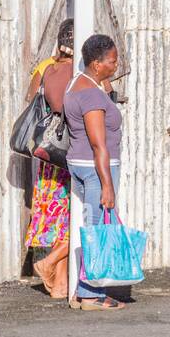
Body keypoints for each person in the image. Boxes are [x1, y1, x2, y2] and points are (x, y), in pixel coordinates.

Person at [64, 33, 127, 310]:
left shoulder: (79, 84)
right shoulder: (90, 94)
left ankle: (87, 291)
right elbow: (98, 144)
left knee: (95, 227)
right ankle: (89, 295)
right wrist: (107, 187)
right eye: (112, 61)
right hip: (96, 170)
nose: (116, 65)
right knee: (97, 232)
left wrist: (105, 86)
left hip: (82, 166)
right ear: (96, 63)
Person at [24, 19, 73, 299]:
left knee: (59, 219)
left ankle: (59, 284)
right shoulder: (75, 71)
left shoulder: (44, 68)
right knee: (71, 216)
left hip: (47, 154)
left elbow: (32, 101)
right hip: (67, 152)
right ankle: (51, 265)